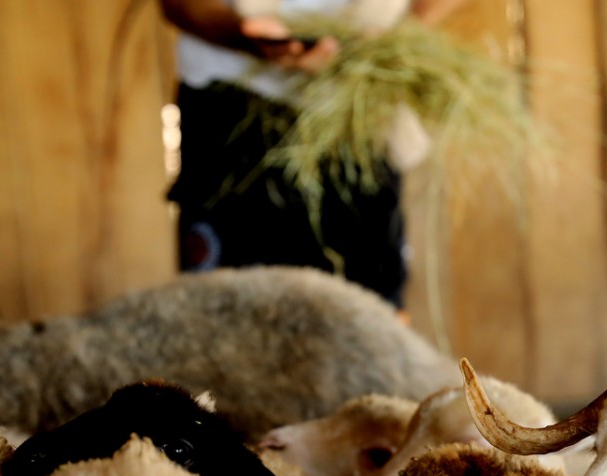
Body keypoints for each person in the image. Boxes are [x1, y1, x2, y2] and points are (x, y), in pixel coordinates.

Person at [159, 0, 465, 309]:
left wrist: (397, 33)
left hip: (360, 101)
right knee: (226, 314)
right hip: (232, 101)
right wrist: (244, 35)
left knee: (369, 313)